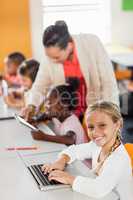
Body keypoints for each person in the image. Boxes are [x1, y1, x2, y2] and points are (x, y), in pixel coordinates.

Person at [21, 20, 119, 122]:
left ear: (69, 45)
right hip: (68, 115)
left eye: (56, 57)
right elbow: (39, 86)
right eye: (49, 57)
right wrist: (31, 105)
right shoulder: (50, 56)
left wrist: (111, 116)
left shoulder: (92, 44)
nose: (52, 60)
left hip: (95, 109)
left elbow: (108, 84)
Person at [41, 101, 133, 200]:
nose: (95, 132)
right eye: (91, 127)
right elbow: (75, 150)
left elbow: (98, 189)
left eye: (102, 125)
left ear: (117, 125)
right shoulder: (97, 146)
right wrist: (61, 161)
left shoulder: (119, 158)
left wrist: (69, 178)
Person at [31, 79, 88, 145]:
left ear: (62, 105)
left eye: (49, 102)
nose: (46, 105)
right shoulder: (57, 115)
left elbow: (70, 139)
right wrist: (35, 119)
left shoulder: (72, 123)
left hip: (79, 154)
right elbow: (46, 116)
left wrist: (43, 137)